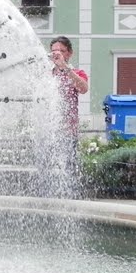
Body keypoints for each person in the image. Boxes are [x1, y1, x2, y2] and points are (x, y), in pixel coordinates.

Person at [48, 36, 89, 176]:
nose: (57, 54)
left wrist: (65, 68)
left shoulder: (77, 73)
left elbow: (83, 88)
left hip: (68, 132)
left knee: (68, 170)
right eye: (54, 51)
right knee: (45, 170)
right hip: (47, 131)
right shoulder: (46, 74)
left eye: (61, 51)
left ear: (70, 53)